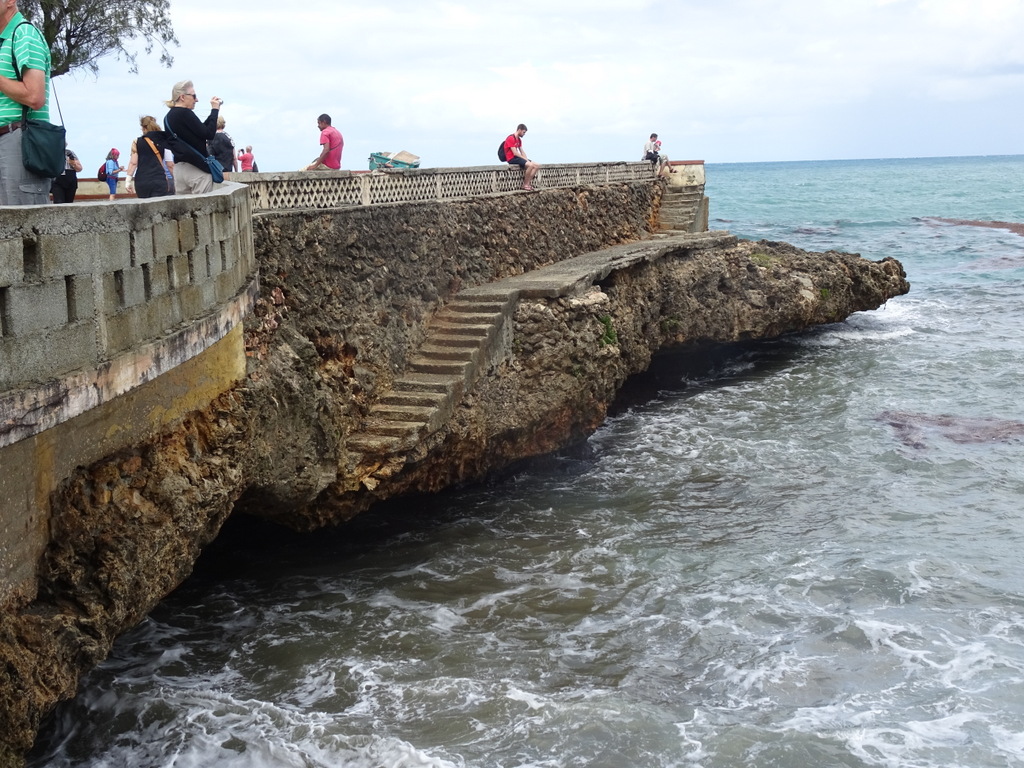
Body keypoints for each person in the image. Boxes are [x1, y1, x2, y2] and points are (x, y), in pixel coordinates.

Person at [0, 0, 53, 205]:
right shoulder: (4, 40)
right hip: (9, 139)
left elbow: (35, 96)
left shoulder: (24, 34)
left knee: (23, 229)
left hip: (17, 139)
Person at [164, 79, 222, 194]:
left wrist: (212, 114)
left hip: (179, 169)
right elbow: (209, 134)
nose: (196, 100)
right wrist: (215, 110)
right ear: (182, 97)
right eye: (194, 96)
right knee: (203, 209)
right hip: (196, 169)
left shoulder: (168, 117)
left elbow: (201, 130)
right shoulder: (185, 113)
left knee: (183, 210)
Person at [124, 115, 172, 199]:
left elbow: (133, 163)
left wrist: (128, 181)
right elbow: (170, 164)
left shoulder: (137, 142)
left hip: (142, 181)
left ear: (143, 128)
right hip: (159, 180)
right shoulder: (163, 140)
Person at [502, 123, 539, 191]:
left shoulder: (519, 140)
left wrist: (526, 159)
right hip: (512, 158)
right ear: (519, 130)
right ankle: (525, 185)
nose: (524, 134)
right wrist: (525, 160)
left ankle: (527, 183)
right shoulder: (510, 138)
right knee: (530, 165)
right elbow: (515, 153)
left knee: (536, 165)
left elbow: (522, 151)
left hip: (518, 157)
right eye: (523, 132)